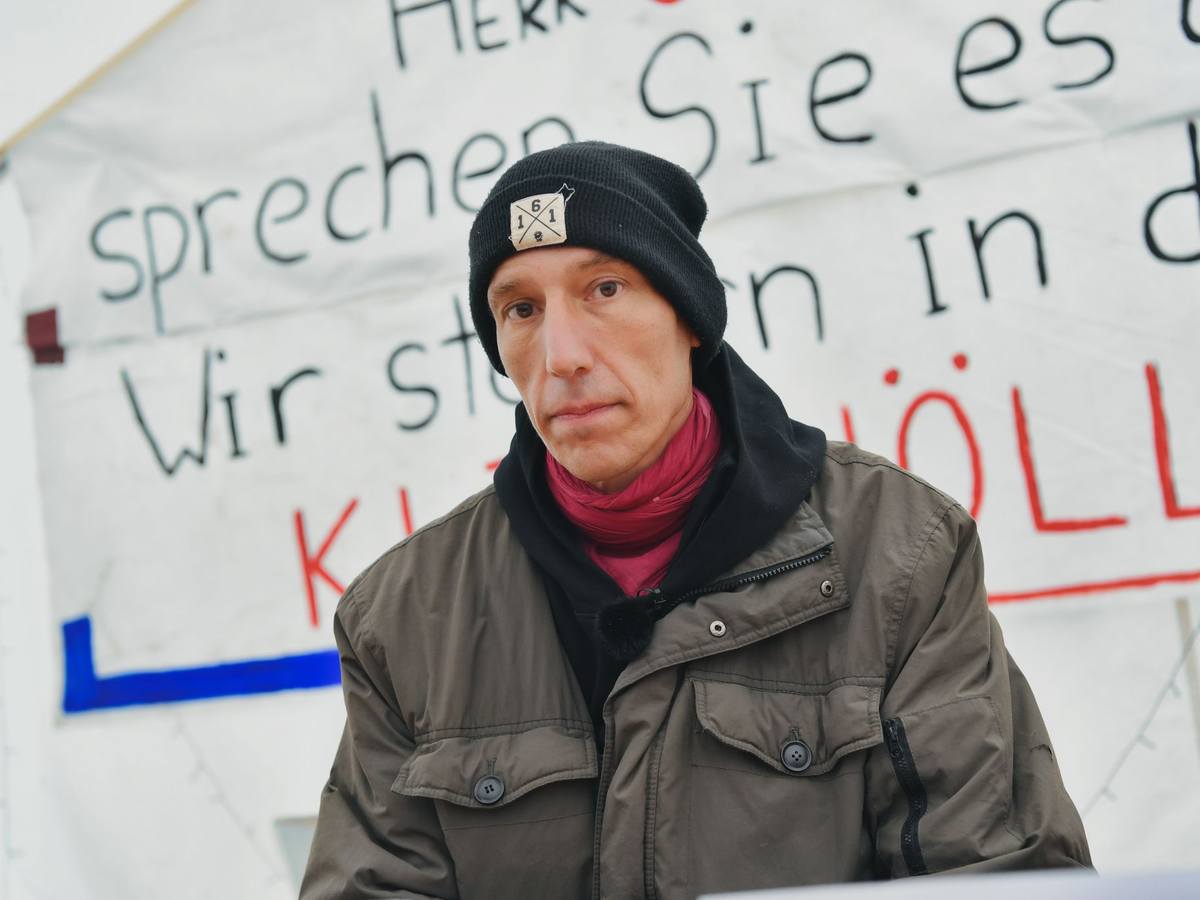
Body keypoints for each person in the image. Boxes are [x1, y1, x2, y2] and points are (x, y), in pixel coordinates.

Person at [299, 141, 1090, 900]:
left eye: (605, 289)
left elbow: (993, 872)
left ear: (690, 317)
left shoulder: (899, 549)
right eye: (521, 308)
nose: (563, 354)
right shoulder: (403, 617)